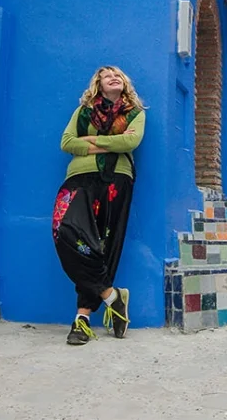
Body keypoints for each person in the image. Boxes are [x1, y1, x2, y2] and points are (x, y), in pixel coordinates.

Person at [52, 66, 146, 345]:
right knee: (65, 232)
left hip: (117, 179)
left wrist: (91, 141)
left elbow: (131, 141)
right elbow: (66, 142)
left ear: (125, 83)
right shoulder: (83, 112)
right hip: (79, 179)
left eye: (118, 74)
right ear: (98, 84)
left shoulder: (135, 113)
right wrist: (111, 144)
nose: (114, 77)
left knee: (103, 245)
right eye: (107, 75)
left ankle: (82, 319)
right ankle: (111, 296)